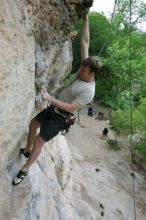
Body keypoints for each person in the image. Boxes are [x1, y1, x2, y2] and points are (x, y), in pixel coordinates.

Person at [12, 14, 102, 185]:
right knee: (32, 125)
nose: (80, 71)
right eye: (81, 68)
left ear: (91, 73)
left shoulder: (88, 91)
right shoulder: (86, 66)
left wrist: (49, 98)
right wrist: (86, 19)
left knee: (40, 141)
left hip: (61, 118)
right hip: (53, 109)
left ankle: (25, 169)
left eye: (83, 71)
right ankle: (27, 150)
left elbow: (70, 107)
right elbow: (85, 42)